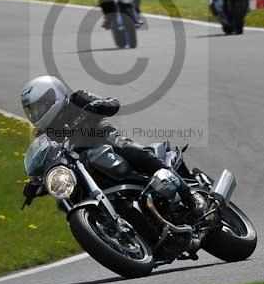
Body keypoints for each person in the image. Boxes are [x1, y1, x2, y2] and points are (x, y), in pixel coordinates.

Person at [19, 75, 200, 216]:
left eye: (38, 108)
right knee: (67, 196)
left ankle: (190, 197)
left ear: (52, 97)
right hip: (82, 164)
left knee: (131, 151)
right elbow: (48, 160)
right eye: (32, 110)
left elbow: (113, 103)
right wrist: (37, 183)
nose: (35, 114)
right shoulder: (47, 135)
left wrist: (100, 105)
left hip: (103, 139)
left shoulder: (77, 100)